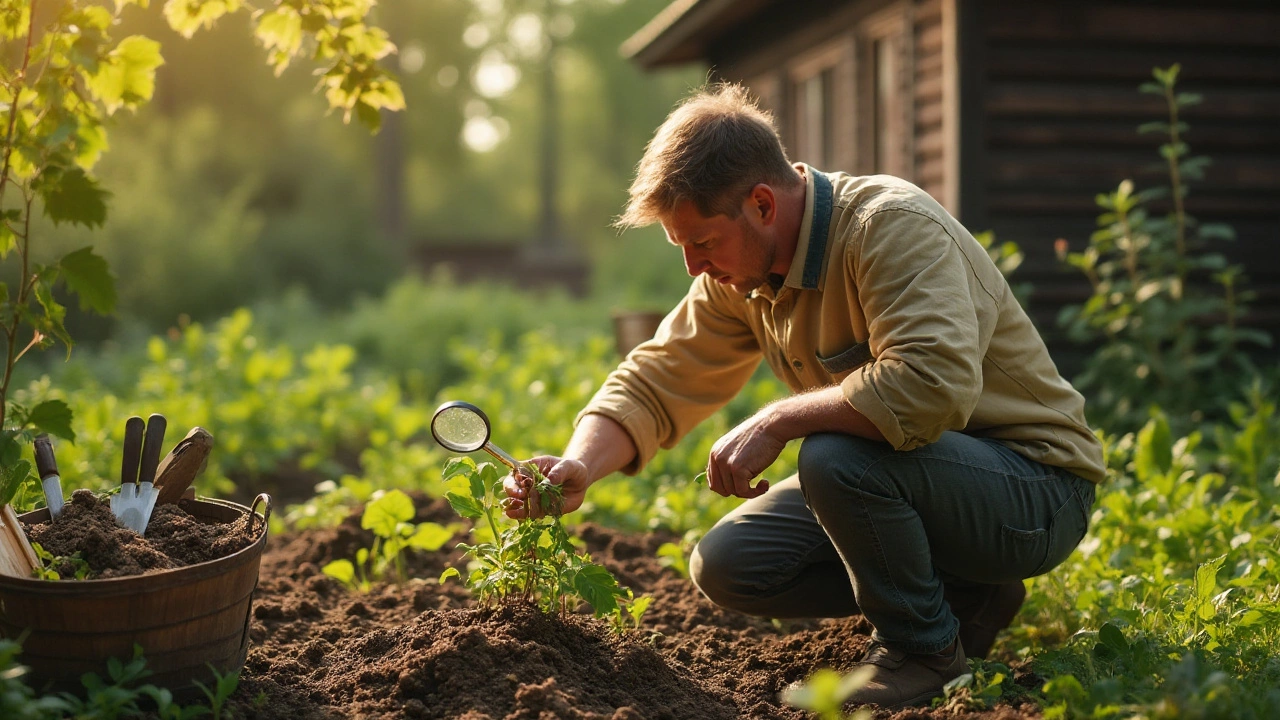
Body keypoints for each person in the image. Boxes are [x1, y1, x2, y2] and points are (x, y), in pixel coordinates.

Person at [502, 83, 1104, 709]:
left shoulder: (889, 227)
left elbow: (931, 384)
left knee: (834, 456)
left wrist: (780, 419)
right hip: (926, 481)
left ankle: (924, 651)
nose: (692, 268)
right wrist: (579, 463)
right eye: (680, 247)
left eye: (702, 243)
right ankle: (969, 594)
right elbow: (659, 375)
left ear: (762, 204)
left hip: (1033, 491)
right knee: (733, 563)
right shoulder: (742, 276)